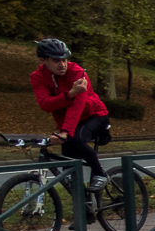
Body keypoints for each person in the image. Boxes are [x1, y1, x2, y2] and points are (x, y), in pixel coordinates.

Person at [30, 38, 110, 192]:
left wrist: (66, 131)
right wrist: (70, 94)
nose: (62, 64)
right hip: (68, 124)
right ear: (43, 60)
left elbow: (77, 105)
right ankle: (86, 209)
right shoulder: (37, 76)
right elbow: (45, 104)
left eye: (64, 59)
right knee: (69, 171)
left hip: (94, 116)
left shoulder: (78, 73)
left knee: (75, 138)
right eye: (56, 60)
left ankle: (100, 173)